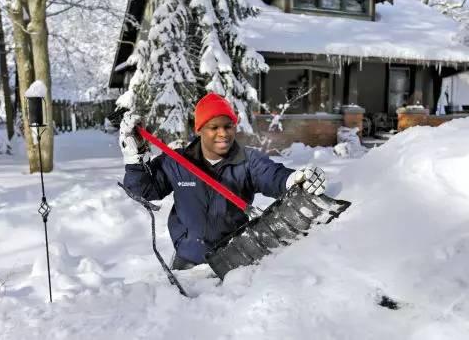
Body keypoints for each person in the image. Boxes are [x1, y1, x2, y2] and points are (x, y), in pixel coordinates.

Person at [120, 93, 326, 270]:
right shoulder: (177, 162)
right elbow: (144, 191)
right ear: (200, 129)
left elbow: (271, 175)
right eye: (214, 127)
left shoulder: (248, 161)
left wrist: (293, 179)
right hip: (188, 259)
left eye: (228, 126)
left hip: (236, 259)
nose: (223, 133)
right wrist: (134, 158)